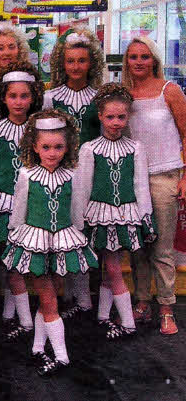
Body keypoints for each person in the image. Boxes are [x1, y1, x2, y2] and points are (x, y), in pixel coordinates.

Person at [2, 109, 98, 375]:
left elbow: (77, 209)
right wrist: (17, 237)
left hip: (63, 242)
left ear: (67, 147)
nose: (52, 152)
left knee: (49, 298)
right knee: (48, 299)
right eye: (46, 147)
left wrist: (77, 237)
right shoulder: (27, 175)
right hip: (34, 242)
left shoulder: (72, 175)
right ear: (35, 147)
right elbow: (19, 210)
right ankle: (62, 355)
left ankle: (37, 347)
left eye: (58, 147)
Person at [77, 83, 156, 339]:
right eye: (110, 117)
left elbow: (140, 185)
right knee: (108, 267)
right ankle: (104, 316)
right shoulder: (90, 149)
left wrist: (146, 218)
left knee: (112, 266)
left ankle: (127, 322)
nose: (115, 122)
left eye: (121, 117)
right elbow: (83, 187)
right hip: (99, 215)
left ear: (128, 116)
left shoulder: (135, 149)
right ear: (100, 116)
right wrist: (80, 219)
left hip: (126, 215)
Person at [0, 62, 44, 340]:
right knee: (9, 259)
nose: (18, 102)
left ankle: (18, 314)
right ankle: (18, 315)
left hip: (32, 203)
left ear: (33, 97)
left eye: (24, 96)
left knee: (22, 261)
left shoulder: (40, 128)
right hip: (3, 203)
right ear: (3, 98)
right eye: (12, 96)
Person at [122, 36, 186, 335]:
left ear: (154, 59)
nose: (138, 62)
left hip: (165, 176)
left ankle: (166, 307)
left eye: (144, 56)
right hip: (132, 179)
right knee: (138, 248)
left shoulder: (169, 90)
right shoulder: (123, 94)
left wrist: (185, 177)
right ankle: (142, 301)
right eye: (133, 56)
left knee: (162, 248)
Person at [44, 26, 106, 319]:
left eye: (82, 60)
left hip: (94, 174)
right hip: (61, 174)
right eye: (71, 61)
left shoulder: (100, 96)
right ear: (62, 64)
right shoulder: (51, 97)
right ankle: (67, 295)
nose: (76, 66)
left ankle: (85, 297)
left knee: (87, 236)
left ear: (91, 63)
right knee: (65, 234)